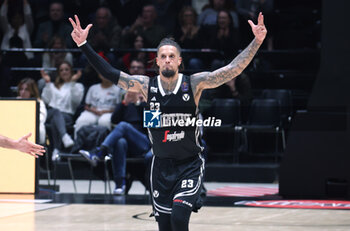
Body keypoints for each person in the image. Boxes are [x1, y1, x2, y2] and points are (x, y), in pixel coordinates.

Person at [69, 12, 266, 231]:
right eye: (163, 56)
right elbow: (110, 72)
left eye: (172, 56)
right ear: (157, 61)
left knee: (179, 219)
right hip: (160, 166)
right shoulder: (145, 85)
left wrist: (256, 42)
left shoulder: (194, 83)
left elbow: (232, 70)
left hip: (189, 164)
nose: (167, 60)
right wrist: (84, 44)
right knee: (165, 226)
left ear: (179, 60)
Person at [80, 59, 151, 195]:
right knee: (120, 141)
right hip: (129, 144)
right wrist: (124, 103)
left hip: (145, 142)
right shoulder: (126, 101)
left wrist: (142, 104)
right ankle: (120, 184)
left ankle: (100, 152)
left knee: (124, 126)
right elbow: (114, 119)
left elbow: (152, 124)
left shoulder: (148, 99)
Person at [41, 61, 84, 161]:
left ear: (71, 71)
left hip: (67, 116)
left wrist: (72, 83)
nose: (64, 72)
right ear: (58, 73)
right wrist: (47, 83)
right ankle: (64, 136)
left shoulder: (78, 86)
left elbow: (76, 101)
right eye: (61, 70)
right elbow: (46, 100)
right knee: (55, 112)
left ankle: (56, 149)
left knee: (54, 121)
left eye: (66, 69)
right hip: (50, 113)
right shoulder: (52, 85)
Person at [74, 73, 124, 137]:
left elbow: (118, 108)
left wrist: (105, 111)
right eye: (102, 73)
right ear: (99, 75)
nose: (105, 75)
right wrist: (93, 110)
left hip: (108, 112)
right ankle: (77, 143)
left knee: (104, 121)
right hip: (92, 112)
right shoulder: (93, 88)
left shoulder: (117, 90)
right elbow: (86, 105)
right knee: (82, 120)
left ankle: (104, 145)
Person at [17, 78, 47, 145]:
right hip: (18, 130)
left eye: (26, 89)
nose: (23, 92)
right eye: (21, 89)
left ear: (32, 91)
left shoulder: (39, 102)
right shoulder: (15, 102)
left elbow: (41, 119)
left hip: (34, 132)